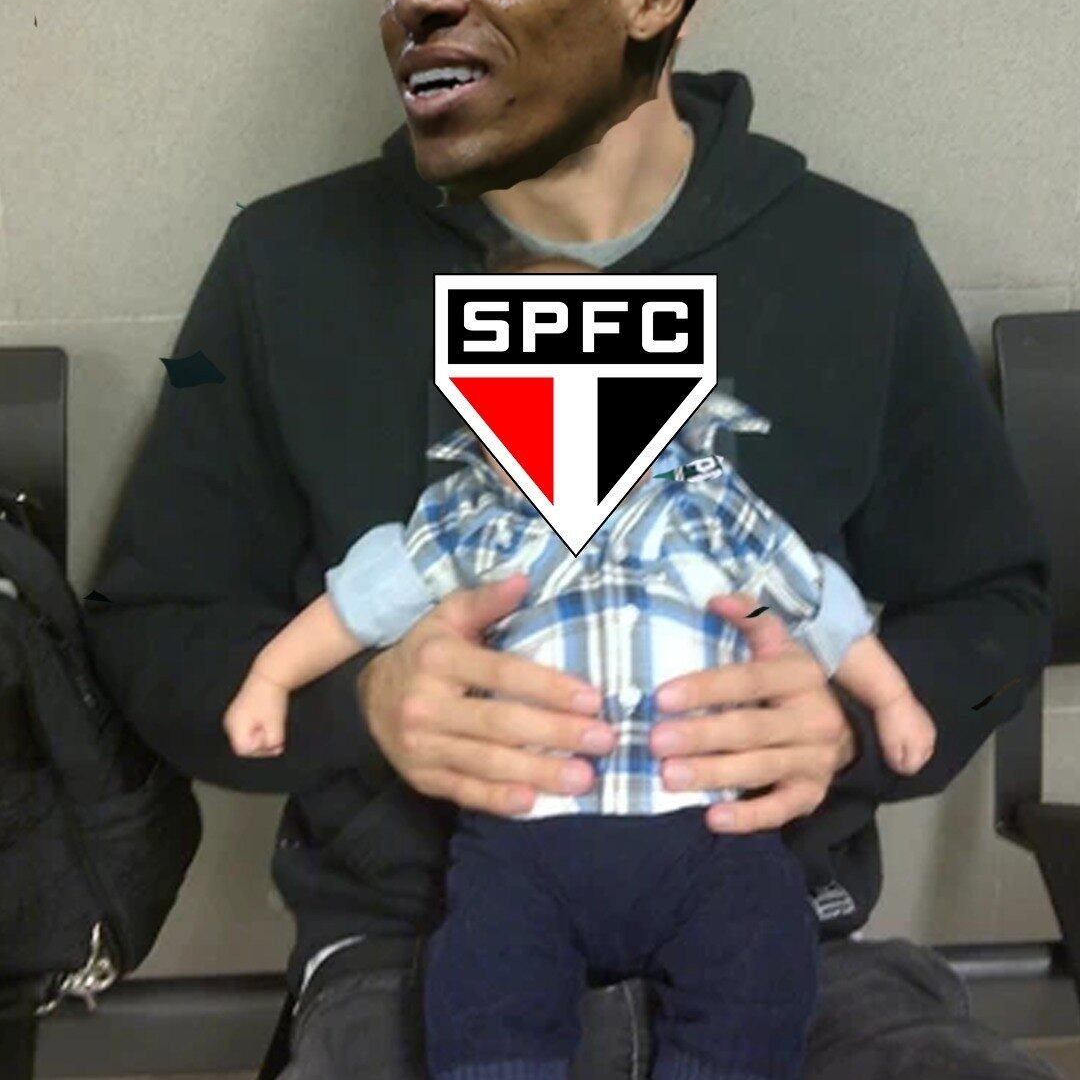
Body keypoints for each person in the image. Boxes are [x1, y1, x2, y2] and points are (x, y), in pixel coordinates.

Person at [84, 0, 1059, 1080]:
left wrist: (845, 723)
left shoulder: (853, 261)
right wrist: (360, 704)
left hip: (787, 939)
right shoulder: (285, 265)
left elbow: (997, 607)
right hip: (419, 950)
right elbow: (150, 630)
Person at [221, 250, 936, 1079]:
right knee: (484, 980)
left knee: (759, 960)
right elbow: (359, 603)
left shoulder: (710, 509)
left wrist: (888, 701)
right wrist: (272, 678)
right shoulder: (472, 522)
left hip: (707, 832)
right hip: (523, 837)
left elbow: (813, 600)